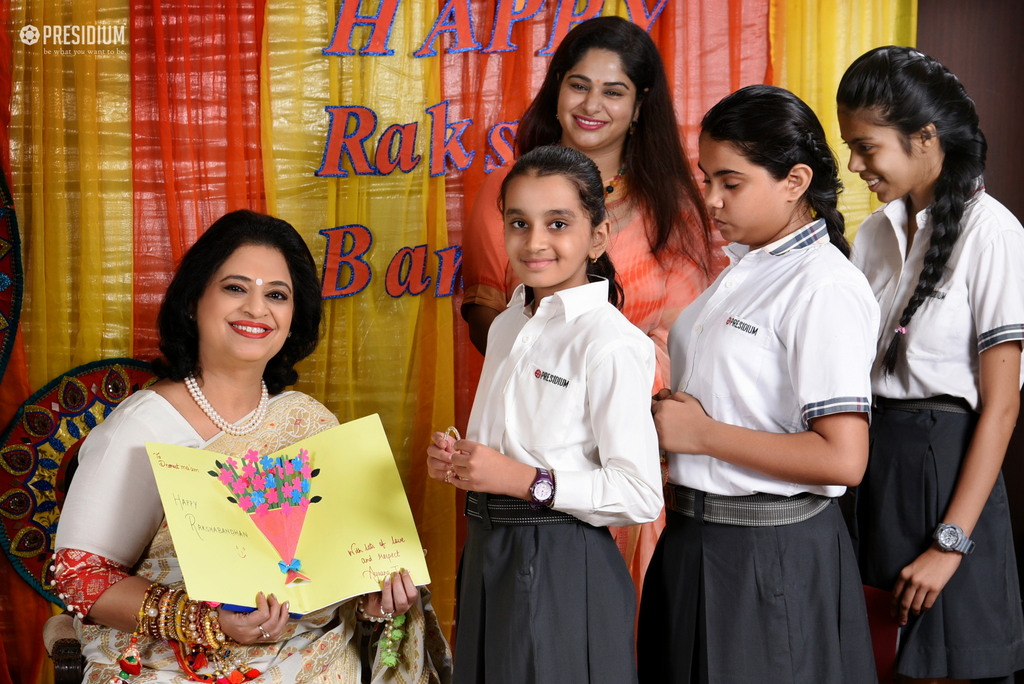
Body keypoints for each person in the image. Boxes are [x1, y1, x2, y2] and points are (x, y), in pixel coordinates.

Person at [52, 210, 451, 683]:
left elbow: (337, 580)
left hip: (317, 660)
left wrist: (375, 602)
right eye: (236, 288)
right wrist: (209, 624)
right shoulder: (144, 426)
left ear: (292, 316)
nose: (257, 309)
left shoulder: (310, 422)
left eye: (276, 295)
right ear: (194, 299)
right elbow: (80, 577)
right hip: (177, 665)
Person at [460, 12, 718, 593]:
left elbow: (692, 339)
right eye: (578, 84)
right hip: (535, 438)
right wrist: (561, 367)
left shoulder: (672, 208)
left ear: (639, 104)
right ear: (556, 91)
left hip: (638, 437)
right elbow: (491, 324)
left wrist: (610, 369)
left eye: (614, 90)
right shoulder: (505, 192)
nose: (591, 104)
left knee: (612, 618)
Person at [638, 85, 880, 683]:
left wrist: (702, 434)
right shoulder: (743, 266)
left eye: (731, 182)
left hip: (768, 558)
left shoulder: (824, 285)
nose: (711, 199)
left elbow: (844, 460)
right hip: (695, 540)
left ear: (795, 181)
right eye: (706, 177)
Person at [428, 145, 663, 683]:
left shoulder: (610, 342)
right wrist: (463, 461)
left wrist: (519, 479)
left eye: (558, 223)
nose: (534, 242)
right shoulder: (510, 322)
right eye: (518, 222)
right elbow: (511, 445)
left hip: (560, 561)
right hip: (489, 549)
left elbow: (639, 492)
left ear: (597, 237)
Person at [837, 46, 1024, 683]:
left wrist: (950, 545)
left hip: (946, 478)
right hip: (870, 470)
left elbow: (1001, 407)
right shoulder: (872, 235)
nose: (855, 165)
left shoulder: (993, 234)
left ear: (925, 137)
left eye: (866, 147)